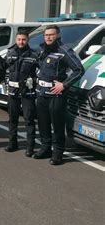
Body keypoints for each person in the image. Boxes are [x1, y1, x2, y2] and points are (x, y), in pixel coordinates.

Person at [34, 25, 84, 165]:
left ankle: (58, 153)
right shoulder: (42, 50)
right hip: (41, 93)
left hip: (56, 94)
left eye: (51, 35)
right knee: (43, 123)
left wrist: (64, 84)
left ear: (58, 36)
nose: (48, 37)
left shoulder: (64, 51)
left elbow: (79, 70)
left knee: (57, 124)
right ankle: (45, 148)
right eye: (46, 35)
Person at [4, 31, 38, 156]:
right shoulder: (10, 54)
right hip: (13, 91)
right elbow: (3, 68)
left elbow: (41, 72)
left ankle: (30, 147)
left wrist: (34, 81)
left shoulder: (34, 55)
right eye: (19, 39)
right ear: (16, 39)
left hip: (27, 92)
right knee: (12, 118)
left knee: (29, 119)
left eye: (23, 39)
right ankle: (12, 143)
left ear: (27, 40)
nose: (21, 42)